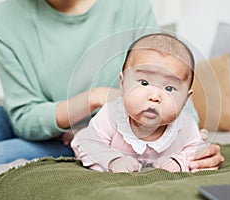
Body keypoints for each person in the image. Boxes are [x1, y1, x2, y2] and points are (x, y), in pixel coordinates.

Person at [0, 0, 224, 170]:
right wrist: (96, 97)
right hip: (50, 128)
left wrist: (188, 148)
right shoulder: (4, 18)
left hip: (90, 135)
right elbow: (24, 117)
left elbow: (171, 81)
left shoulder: (129, 5)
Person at [72, 33, 208, 173]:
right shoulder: (110, 115)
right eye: (144, 83)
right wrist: (113, 160)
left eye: (169, 88)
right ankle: (76, 132)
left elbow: (197, 153)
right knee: (84, 137)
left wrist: (179, 162)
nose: (154, 97)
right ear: (123, 83)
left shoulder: (185, 125)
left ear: (185, 99)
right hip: (91, 137)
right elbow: (89, 146)